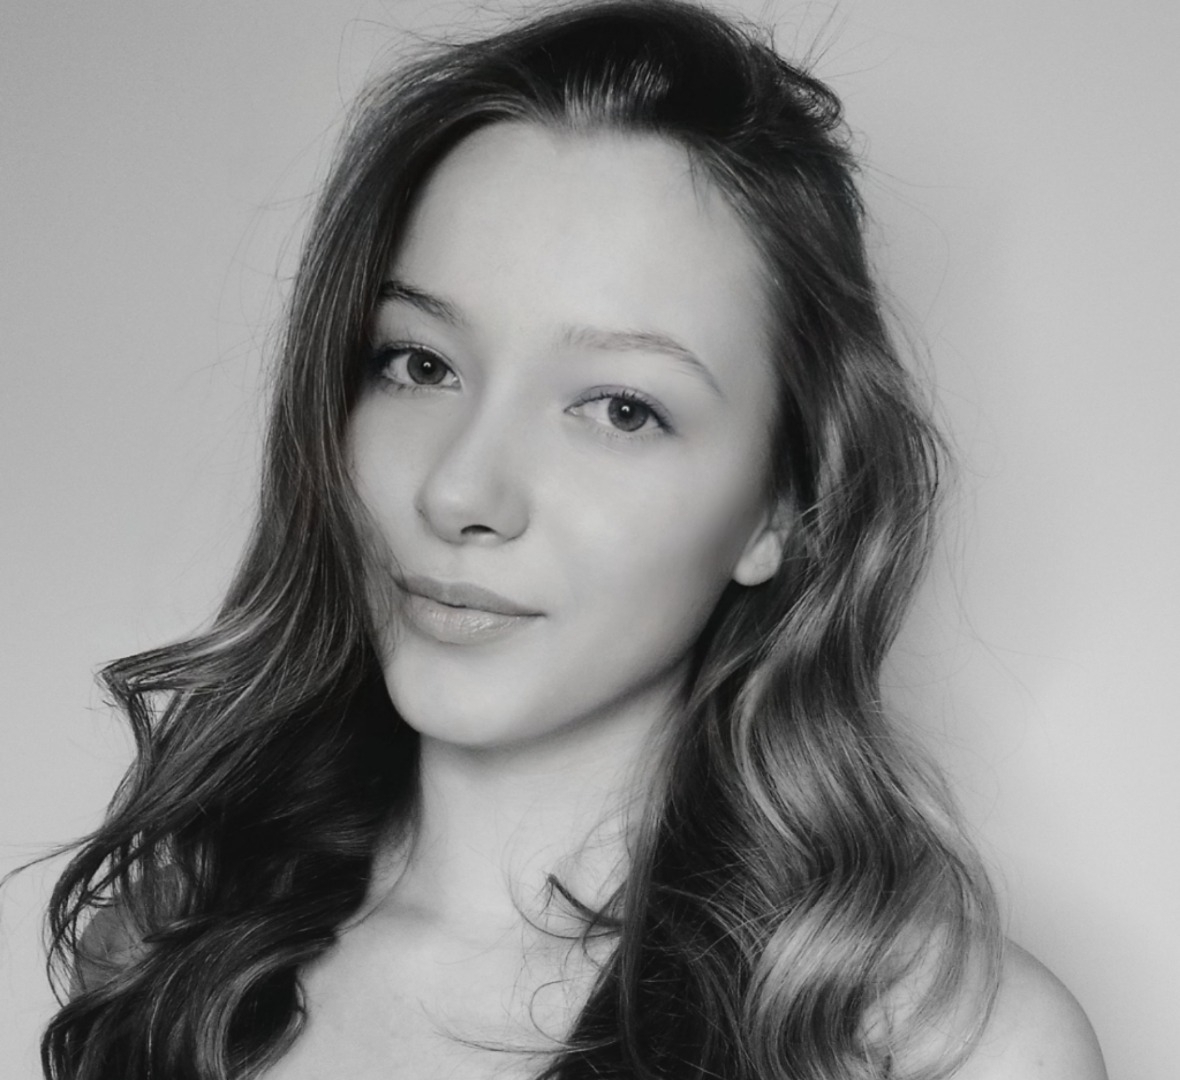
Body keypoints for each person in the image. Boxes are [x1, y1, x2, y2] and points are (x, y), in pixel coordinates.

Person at [40, 2, 1106, 1078]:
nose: (460, 490)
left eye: (620, 409)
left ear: (779, 506)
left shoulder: (943, 1050)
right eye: (420, 364)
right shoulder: (165, 949)